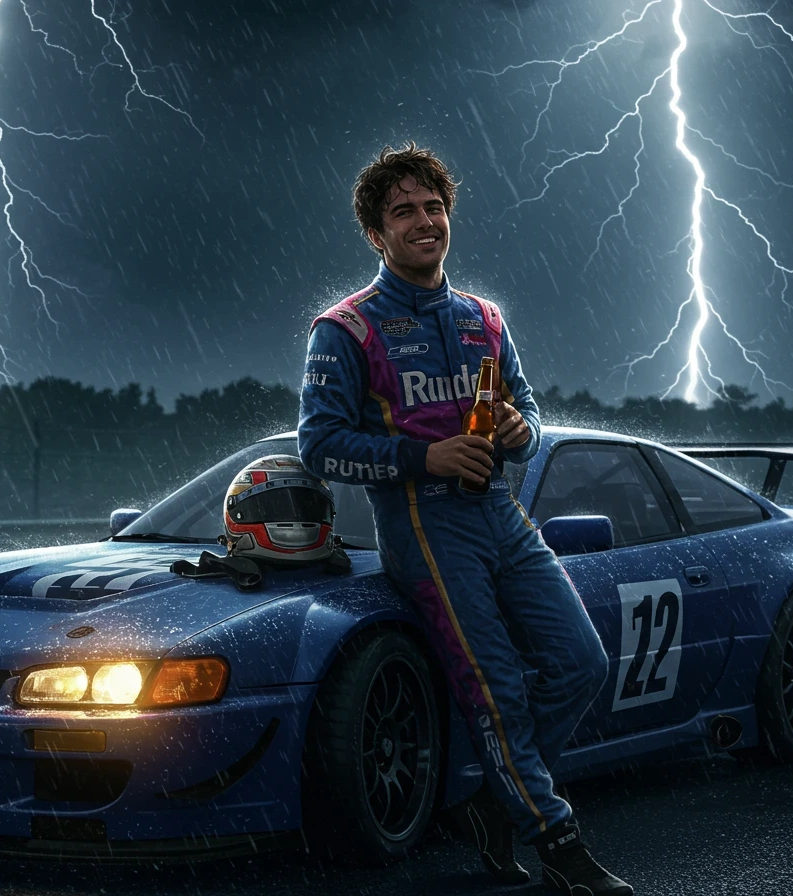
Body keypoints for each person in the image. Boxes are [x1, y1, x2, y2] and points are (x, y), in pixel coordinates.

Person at [298, 143, 632, 896]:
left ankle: (484, 797)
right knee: (499, 690)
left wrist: (523, 431)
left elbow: (531, 410)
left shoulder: (484, 317)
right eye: (403, 211)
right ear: (376, 236)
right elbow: (318, 446)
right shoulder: (345, 330)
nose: (424, 221)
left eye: (434, 207)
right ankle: (559, 844)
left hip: (501, 515)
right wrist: (426, 459)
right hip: (424, 525)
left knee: (581, 660)